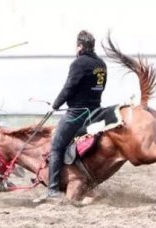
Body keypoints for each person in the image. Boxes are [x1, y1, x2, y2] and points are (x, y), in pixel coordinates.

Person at [34, 30, 107, 203]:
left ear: (80, 46)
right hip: (96, 111)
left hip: (77, 113)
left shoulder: (79, 63)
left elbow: (69, 88)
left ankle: (52, 190)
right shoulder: (101, 64)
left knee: (56, 146)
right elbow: (101, 87)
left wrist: (55, 105)